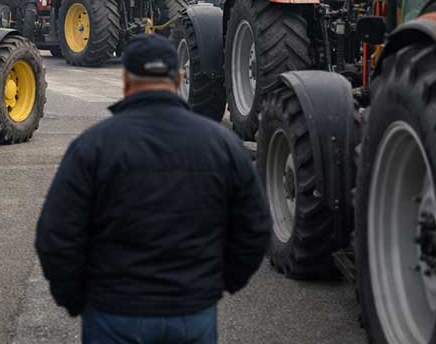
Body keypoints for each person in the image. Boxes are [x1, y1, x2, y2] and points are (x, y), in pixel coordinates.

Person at [35, 34, 269, 343]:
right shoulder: (222, 145)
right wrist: (218, 284)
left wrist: (76, 298)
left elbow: (56, 236)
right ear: (179, 78)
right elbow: (255, 228)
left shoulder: (93, 146)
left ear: (126, 79)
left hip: (114, 313)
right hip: (192, 313)